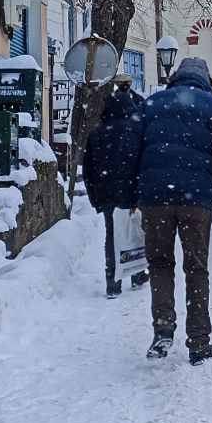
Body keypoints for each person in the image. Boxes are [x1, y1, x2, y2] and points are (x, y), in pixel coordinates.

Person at [134, 56, 212, 364]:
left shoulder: (152, 104)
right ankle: (198, 342)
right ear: (205, 80)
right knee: (196, 267)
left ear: (175, 77)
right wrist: (210, 175)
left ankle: (163, 330)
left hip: (155, 200)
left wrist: (139, 186)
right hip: (195, 200)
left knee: (159, 263)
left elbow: (132, 148)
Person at [82, 74, 148, 299]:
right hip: (131, 191)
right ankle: (138, 274)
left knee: (112, 235)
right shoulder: (136, 131)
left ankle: (113, 282)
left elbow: (88, 168)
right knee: (135, 232)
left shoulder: (97, 133)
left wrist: (94, 197)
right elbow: (142, 163)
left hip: (107, 193)